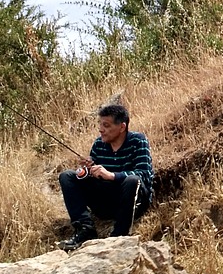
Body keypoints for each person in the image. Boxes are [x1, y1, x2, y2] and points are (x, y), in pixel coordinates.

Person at [58, 103, 154, 250]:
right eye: (100, 124)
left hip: (131, 202)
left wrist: (112, 175)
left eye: (106, 125)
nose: (101, 129)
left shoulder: (138, 141)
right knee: (67, 176)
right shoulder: (99, 144)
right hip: (105, 203)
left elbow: (145, 174)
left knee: (132, 180)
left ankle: (118, 235)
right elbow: (93, 175)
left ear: (122, 127)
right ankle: (85, 229)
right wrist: (87, 170)